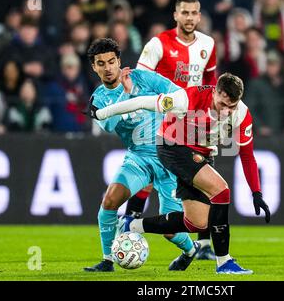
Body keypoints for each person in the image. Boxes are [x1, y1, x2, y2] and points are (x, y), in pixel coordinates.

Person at [87, 72, 271, 275]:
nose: (227, 112)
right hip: (171, 145)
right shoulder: (187, 98)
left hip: (202, 154)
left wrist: (256, 193)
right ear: (215, 93)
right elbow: (141, 102)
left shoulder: (242, 114)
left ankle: (133, 225)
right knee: (221, 191)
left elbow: (247, 156)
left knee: (196, 223)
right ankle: (224, 262)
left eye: (232, 107)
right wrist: (102, 113)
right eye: (222, 105)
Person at [83, 38, 198, 273]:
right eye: (101, 63)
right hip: (139, 157)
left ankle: (191, 250)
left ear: (119, 62)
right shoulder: (98, 100)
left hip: (169, 156)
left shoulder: (142, 77)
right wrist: (126, 95)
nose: (108, 68)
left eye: (111, 62)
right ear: (94, 67)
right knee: (110, 201)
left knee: (170, 230)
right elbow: (109, 124)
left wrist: (168, 109)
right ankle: (107, 261)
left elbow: (177, 93)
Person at [128, 0, 218, 260]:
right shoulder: (158, 44)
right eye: (185, 13)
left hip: (194, 122)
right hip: (161, 119)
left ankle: (203, 246)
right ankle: (130, 225)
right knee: (150, 172)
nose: (190, 18)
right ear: (175, 15)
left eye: (194, 13)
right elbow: (139, 78)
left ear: (199, 16)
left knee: (202, 178)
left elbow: (210, 82)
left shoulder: (208, 44)